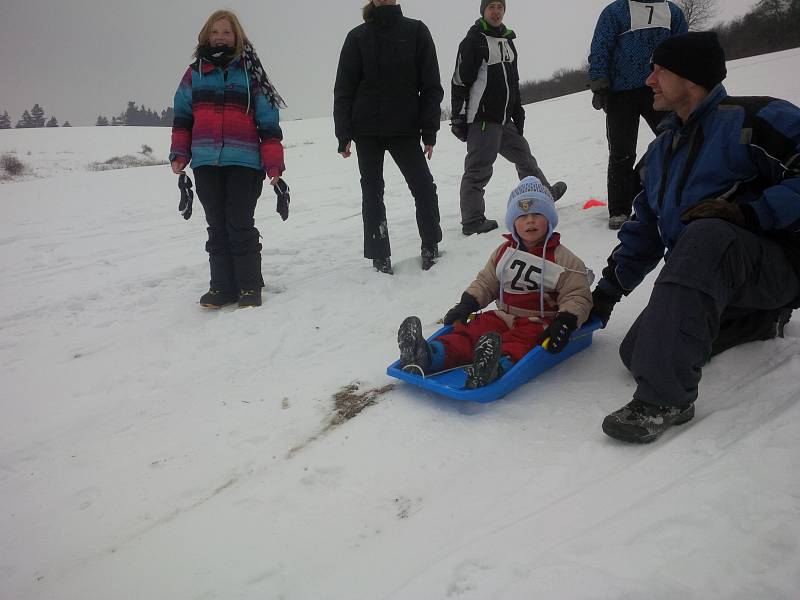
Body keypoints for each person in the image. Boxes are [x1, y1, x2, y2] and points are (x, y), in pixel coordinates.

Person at [591, 32, 800, 444]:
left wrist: (749, 212)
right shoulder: (661, 151)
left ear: (690, 78)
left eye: (658, 71)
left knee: (706, 234)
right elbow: (644, 231)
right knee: (638, 352)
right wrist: (605, 294)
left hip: (778, 265)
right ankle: (755, 320)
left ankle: (664, 400)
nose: (648, 80)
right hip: (713, 277)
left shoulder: (753, 120)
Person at [397, 177, 592, 388]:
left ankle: (494, 366)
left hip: (539, 321)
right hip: (503, 316)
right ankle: (429, 354)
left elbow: (577, 294)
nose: (530, 221)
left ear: (550, 219)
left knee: (521, 342)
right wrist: (467, 304)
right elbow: (487, 281)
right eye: (523, 216)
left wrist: (564, 322)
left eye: (537, 214)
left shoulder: (564, 260)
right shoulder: (504, 253)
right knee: (472, 331)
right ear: (513, 221)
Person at [170, 9, 286, 308]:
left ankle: (248, 286)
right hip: (207, 162)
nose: (220, 37)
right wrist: (180, 153)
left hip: (244, 162)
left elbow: (268, 123)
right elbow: (183, 118)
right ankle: (221, 286)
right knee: (216, 225)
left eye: (226, 32)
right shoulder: (194, 74)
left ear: (236, 37)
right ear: (206, 36)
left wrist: (273, 163)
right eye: (215, 31)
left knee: (239, 223)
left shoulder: (251, 74)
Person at [334, 0, 444, 275]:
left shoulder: (416, 31)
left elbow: (430, 85)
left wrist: (429, 129)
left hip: (405, 128)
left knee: (424, 187)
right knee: (372, 193)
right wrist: (343, 132)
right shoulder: (357, 37)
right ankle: (379, 255)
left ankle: (430, 244)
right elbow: (344, 88)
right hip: (366, 131)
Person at [451, 1, 567, 237]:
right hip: (483, 118)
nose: (496, 12)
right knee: (478, 169)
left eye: (500, 7)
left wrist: (517, 110)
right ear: (483, 11)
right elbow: (459, 82)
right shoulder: (473, 41)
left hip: (504, 118)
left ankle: (543, 193)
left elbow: (513, 80)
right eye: (491, 7)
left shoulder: (507, 40)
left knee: (525, 157)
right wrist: (458, 117)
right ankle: (472, 220)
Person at [589, 0, 687, 230]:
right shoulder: (615, 11)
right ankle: (619, 209)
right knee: (621, 152)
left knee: (676, 140)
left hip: (661, 90)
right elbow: (600, 46)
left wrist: (685, 79)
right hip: (620, 93)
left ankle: (666, 191)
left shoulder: (672, 11)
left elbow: (684, 48)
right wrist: (599, 84)